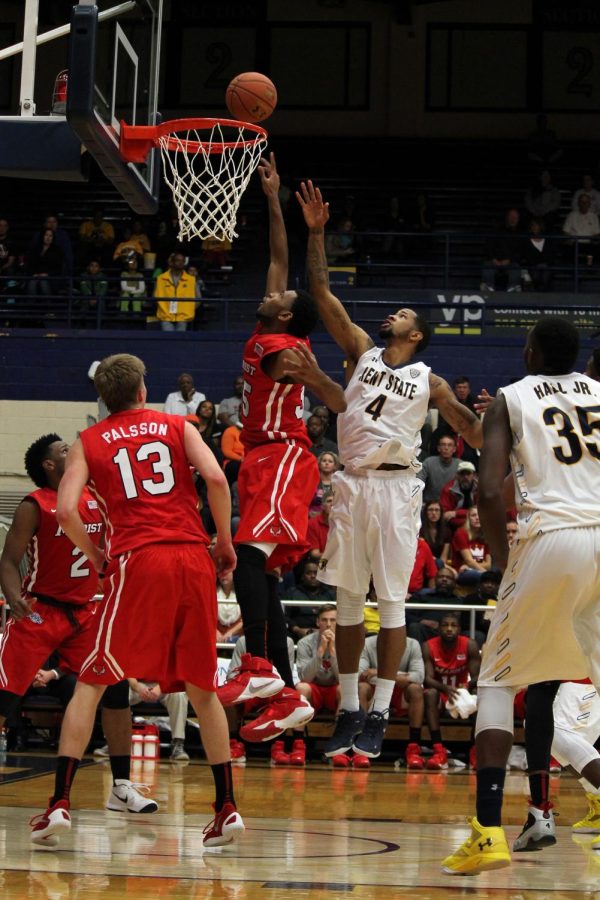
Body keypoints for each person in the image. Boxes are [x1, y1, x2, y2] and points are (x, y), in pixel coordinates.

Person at [296, 179, 483, 760]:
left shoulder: (430, 380)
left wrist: (498, 422)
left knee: (393, 604)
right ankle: (350, 710)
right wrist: (318, 232)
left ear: (417, 334)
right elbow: (321, 290)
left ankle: (380, 712)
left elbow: (469, 433)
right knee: (349, 604)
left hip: (401, 489)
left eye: (402, 314)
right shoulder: (360, 351)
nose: (390, 315)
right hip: (351, 485)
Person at [30, 354, 244, 849]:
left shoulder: (88, 441)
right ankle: (226, 807)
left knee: (92, 679)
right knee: (201, 686)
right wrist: (224, 541)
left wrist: (96, 554)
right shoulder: (178, 424)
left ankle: (59, 803)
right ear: (144, 389)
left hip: (137, 560)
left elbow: (64, 511)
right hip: (192, 557)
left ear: (105, 397)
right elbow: (215, 478)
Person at [443, 317, 600, 875]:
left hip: (551, 539)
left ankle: (487, 830)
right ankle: (544, 811)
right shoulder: (599, 393)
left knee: (497, 679)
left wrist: (503, 562)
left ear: (530, 351)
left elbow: (488, 489)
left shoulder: (509, 399)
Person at [216, 154, 347, 744]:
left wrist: (319, 383)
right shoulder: (273, 326)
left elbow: (339, 402)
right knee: (263, 572)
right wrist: (271, 198)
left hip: (283, 455)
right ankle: (288, 695)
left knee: (247, 556)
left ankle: (258, 669)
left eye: (282, 295)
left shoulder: (285, 350)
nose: (273, 290)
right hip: (263, 458)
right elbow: (278, 258)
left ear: (288, 315)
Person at [0, 433, 157, 849]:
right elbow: (9, 560)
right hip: (40, 609)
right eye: (62, 452)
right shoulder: (35, 504)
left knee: (116, 690)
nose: (71, 452)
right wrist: (14, 597)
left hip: (88, 610)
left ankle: (122, 786)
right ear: (50, 466)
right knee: (6, 694)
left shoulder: (97, 495)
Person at [423, 611, 480, 771]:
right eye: (445, 625)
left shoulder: (470, 645)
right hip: (442, 693)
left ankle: (475, 751)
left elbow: (478, 677)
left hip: (462, 692)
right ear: (439, 628)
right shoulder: (428, 646)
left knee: (481, 698)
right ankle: (438, 750)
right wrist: (445, 689)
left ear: (459, 629)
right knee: (430, 694)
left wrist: (468, 686)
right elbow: (427, 679)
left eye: (453, 625)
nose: (449, 629)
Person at [359, 633, 425, 768]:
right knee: (361, 687)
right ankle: (360, 748)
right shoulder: (367, 643)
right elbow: (362, 674)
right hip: (376, 689)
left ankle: (413, 748)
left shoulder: (412, 644)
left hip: (400, 692)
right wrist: (402, 676)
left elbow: (418, 676)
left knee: (416, 689)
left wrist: (378, 672)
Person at [293, 604, 340, 766]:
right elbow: (305, 677)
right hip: (314, 689)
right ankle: (298, 745)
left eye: (333, 620)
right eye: (325, 620)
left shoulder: (347, 642)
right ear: (317, 622)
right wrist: (319, 653)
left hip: (334, 688)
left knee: (346, 689)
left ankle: (339, 745)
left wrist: (332, 651)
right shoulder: (305, 643)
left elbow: (343, 678)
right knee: (301, 688)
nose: (328, 624)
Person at [407, 566, 464, 645]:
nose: (444, 579)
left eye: (448, 578)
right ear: (435, 580)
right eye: (441, 577)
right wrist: (421, 621)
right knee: (415, 627)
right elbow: (406, 614)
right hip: (427, 631)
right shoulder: (421, 596)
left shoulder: (460, 601)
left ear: (454, 582)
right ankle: (417, 657)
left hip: (452, 633)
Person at [286, 558, 336, 642]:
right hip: (298, 634)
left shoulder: (330, 594)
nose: (313, 576)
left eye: (316, 573)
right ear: (302, 576)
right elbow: (285, 617)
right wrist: (297, 630)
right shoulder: (292, 593)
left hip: (329, 632)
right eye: (308, 573)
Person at [154, 252, 197, 331]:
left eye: (182, 261)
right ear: (172, 262)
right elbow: (155, 297)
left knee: (180, 341)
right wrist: (163, 309)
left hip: (183, 317)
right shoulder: (161, 279)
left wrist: (188, 309)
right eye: (177, 260)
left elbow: (198, 299)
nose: (180, 263)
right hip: (166, 316)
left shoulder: (191, 280)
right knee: (168, 340)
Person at [450, 506, 492, 584]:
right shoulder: (461, 533)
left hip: (474, 569)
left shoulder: (485, 536)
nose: (477, 518)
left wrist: (469, 566)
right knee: (484, 578)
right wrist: (487, 574)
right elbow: (469, 560)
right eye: (474, 515)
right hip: (462, 572)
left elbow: (489, 565)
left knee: (498, 572)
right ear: (468, 518)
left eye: (480, 515)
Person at [418, 435, 460, 503]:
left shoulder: (460, 465)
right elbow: (418, 482)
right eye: (443, 445)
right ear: (438, 448)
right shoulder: (428, 462)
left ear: (454, 449)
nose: (446, 448)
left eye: (449, 445)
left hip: (451, 506)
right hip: (430, 505)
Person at [26, 227, 64, 297]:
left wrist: (47, 274)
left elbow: (58, 268)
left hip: (50, 277)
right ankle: (31, 305)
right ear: (42, 236)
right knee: (32, 282)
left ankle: (48, 305)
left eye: (50, 236)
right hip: (35, 275)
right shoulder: (35, 249)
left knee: (43, 282)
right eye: (46, 235)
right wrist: (34, 274)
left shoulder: (57, 251)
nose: (48, 238)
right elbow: (29, 265)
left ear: (53, 238)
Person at [439, 461, 478, 526]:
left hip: (477, 523)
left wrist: (456, 513)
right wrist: (467, 522)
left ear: (474, 475)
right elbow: (446, 515)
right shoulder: (448, 489)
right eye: (462, 474)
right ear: (457, 475)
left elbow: (482, 512)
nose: (465, 477)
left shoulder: (480, 489)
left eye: (468, 474)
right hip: (455, 525)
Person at [420, 500, 451, 565]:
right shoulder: (420, 530)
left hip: (439, 564)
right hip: (424, 562)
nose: (434, 513)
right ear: (425, 512)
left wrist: (443, 567)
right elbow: (422, 553)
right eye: (430, 510)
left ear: (441, 512)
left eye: (437, 510)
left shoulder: (446, 531)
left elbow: (444, 556)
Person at [309, 450, 340, 516]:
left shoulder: (339, 483)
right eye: (324, 461)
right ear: (319, 464)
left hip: (334, 517)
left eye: (330, 461)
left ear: (335, 466)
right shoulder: (312, 481)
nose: (327, 463)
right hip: (313, 518)